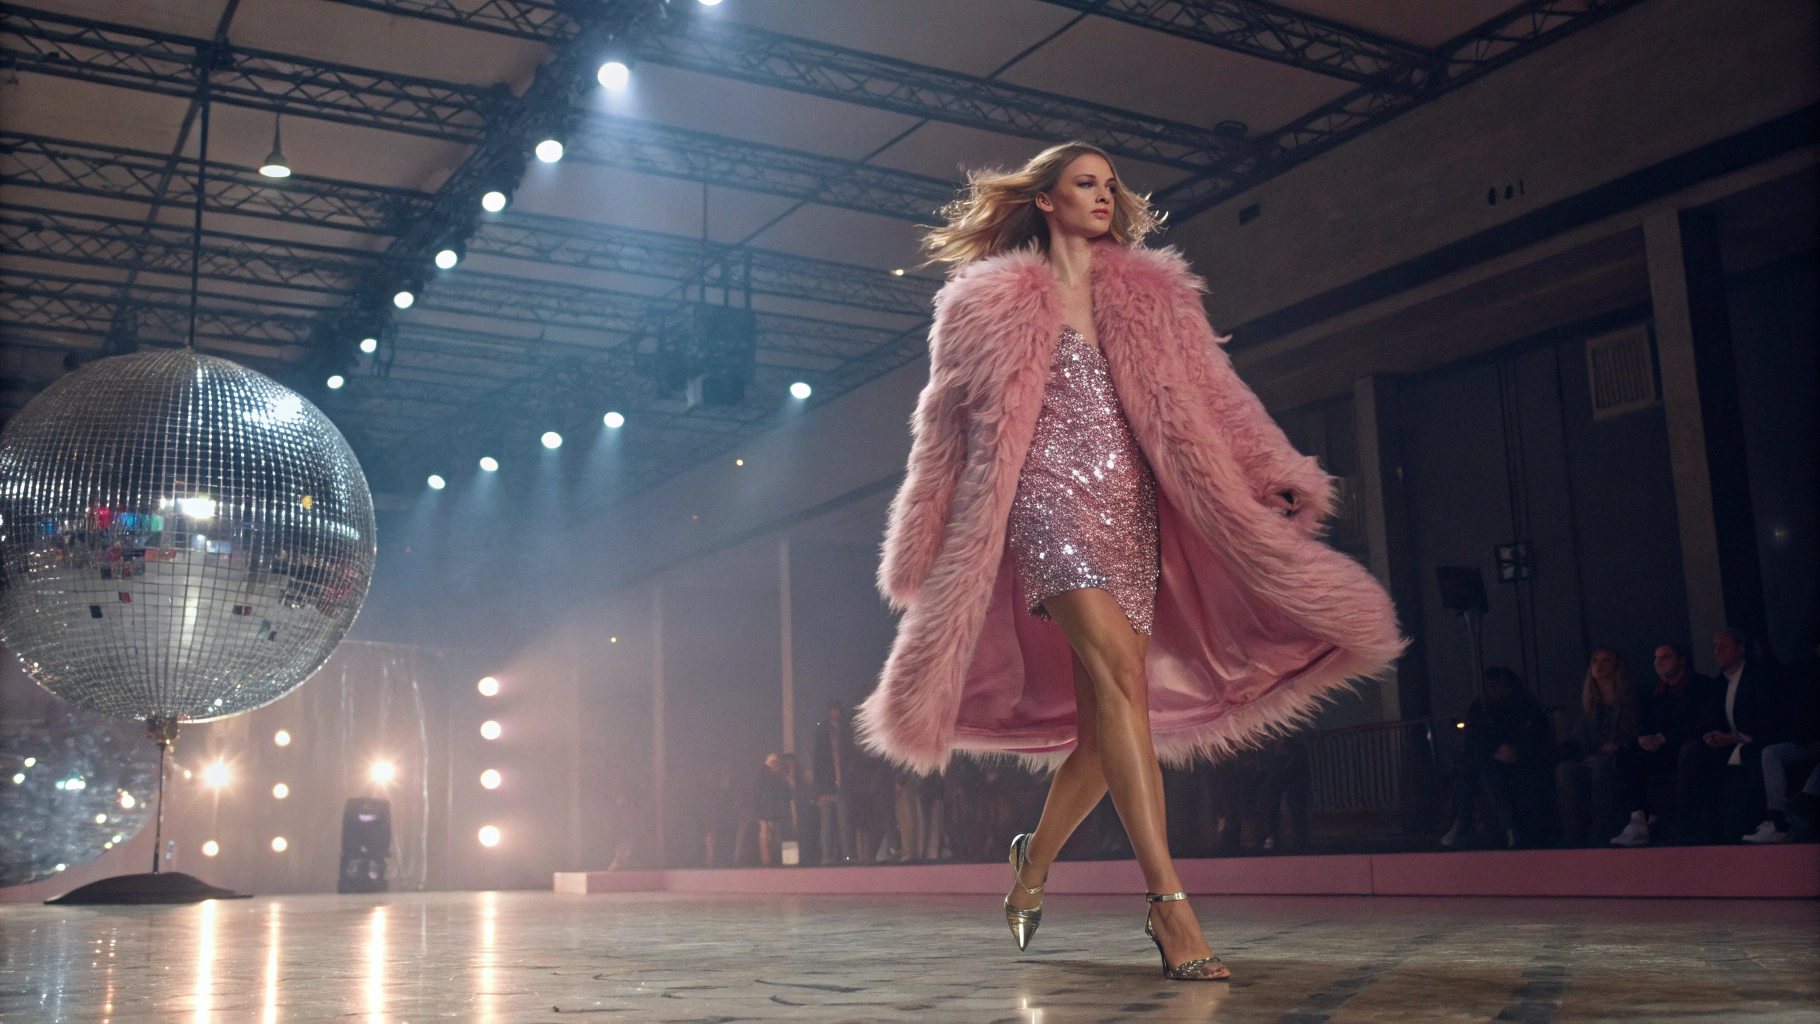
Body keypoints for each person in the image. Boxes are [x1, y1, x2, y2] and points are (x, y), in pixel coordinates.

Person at [856, 141, 1404, 981]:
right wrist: (921, 541)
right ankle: (1169, 907)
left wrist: (1273, 471)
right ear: (1045, 199)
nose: (1105, 196)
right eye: (1086, 183)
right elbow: (943, 429)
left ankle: (1032, 864)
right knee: (1120, 679)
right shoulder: (983, 304)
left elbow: (1216, 393)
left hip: (1134, 506)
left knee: (1110, 719)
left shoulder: (1153, 293)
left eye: (1111, 184)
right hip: (1043, 500)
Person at [1679, 627, 1782, 842]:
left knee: (1753, 756)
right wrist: (1710, 735)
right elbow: (1707, 718)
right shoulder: (1719, 684)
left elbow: (1768, 717)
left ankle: (1763, 821)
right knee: (1694, 753)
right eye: (1715, 647)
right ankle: (1703, 824)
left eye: (1723, 646)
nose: (1717, 651)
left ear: (1740, 648)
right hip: (1728, 742)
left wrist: (1736, 737)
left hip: (1758, 739)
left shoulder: (1759, 677)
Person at [1611, 644, 1720, 846]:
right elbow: (1646, 722)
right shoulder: (1656, 691)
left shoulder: (1701, 685)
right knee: (1626, 754)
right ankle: (1637, 821)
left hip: (1688, 747)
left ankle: (1686, 826)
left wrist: (1665, 738)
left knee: (1688, 754)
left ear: (1681, 660)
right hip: (1662, 750)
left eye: (1665, 657)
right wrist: (1644, 738)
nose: (1658, 662)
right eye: (1656, 658)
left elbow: (1702, 723)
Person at [1441, 667, 1553, 849]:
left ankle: (1462, 824)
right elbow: (1473, 736)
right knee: (1478, 770)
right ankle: (1506, 826)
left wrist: (1515, 751)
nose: (1493, 689)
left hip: (1522, 760)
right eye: (1490, 685)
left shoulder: (1526, 704)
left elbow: (1537, 736)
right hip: (1489, 759)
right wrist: (1494, 750)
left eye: (1498, 685)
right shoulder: (1480, 707)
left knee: (1475, 772)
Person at [1554, 648, 1639, 846]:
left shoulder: (1630, 700)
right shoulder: (1590, 706)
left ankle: (1600, 834)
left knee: (1599, 766)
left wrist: (1618, 745)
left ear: (1617, 666)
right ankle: (1572, 836)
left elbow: (1635, 731)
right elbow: (1578, 740)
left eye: (1605, 660)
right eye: (1594, 661)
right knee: (1564, 769)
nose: (1598, 665)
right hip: (1591, 758)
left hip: (1621, 758)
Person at [1745, 642, 1819, 843]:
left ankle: (1804, 807)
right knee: (1771, 752)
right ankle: (1778, 819)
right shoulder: (1812, 676)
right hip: (1811, 740)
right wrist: (1808, 737)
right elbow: (1803, 713)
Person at [811, 702, 861, 864]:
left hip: (843, 784)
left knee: (844, 823)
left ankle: (846, 856)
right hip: (827, 785)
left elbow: (852, 758)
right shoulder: (822, 733)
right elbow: (817, 762)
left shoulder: (846, 733)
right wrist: (818, 790)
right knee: (827, 823)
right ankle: (827, 857)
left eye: (837, 711)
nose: (835, 714)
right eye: (832, 711)